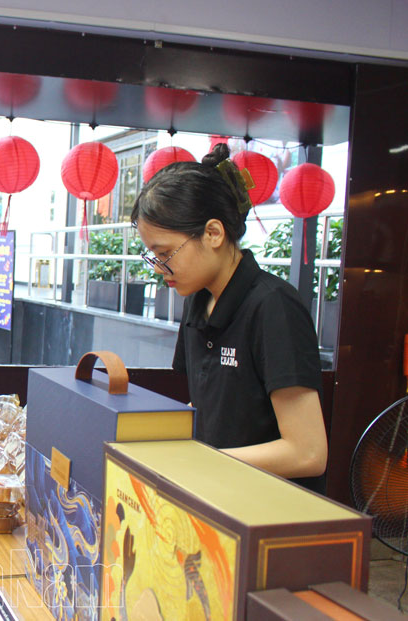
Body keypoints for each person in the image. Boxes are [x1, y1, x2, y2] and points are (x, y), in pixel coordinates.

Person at [131, 143, 327, 492]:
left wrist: (204, 463)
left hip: (269, 511)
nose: (161, 269)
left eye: (165, 253)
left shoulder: (273, 306)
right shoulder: (197, 298)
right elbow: (208, 407)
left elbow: (308, 452)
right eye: (153, 256)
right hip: (216, 496)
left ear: (213, 234)